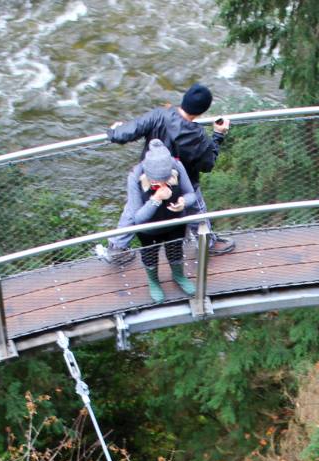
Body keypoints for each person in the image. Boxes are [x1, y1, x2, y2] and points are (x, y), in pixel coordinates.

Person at [97, 82, 235, 264]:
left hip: (149, 177)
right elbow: (207, 164)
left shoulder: (159, 115)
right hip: (182, 182)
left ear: (183, 100)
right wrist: (218, 135)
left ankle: (116, 249)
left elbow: (126, 133)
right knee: (195, 207)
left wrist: (115, 131)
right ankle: (206, 241)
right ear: (202, 111)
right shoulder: (198, 135)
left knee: (133, 209)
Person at [119, 140, 198, 302]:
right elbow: (137, 217)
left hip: (174, 222)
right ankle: (153, 281)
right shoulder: (135, 176)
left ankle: (178, 276)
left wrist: (183, 202)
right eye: (156, 182)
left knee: (175, 250)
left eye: (166, 180)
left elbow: (191, 194)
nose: (162, 185)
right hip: (149, 229)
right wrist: (155, 199)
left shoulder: (177, 166)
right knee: (150, 255)